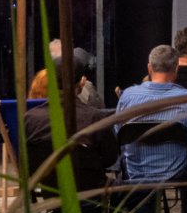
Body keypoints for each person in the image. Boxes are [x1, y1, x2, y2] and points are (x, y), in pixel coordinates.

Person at [23, 59, 118, 193]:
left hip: (50, 195)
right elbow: (110, 158)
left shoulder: (30, 119)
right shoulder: (94, 118)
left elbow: (26, 162)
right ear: (81, 84)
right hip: (90, 197)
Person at [115, 44, 187, 184]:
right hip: (177, 173)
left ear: (149, 68)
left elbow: (118, 134)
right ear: (176, 68)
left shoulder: (127, 97)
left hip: (134, 174)